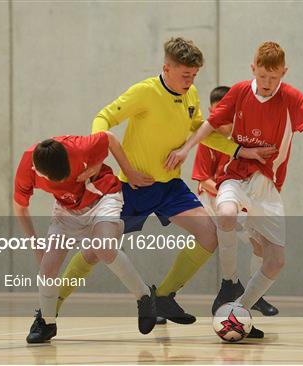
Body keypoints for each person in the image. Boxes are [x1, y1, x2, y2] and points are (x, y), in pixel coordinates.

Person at [55, 37, 272, 337]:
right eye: (185, 75)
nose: (190, 81)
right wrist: (95, 153)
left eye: (194, 75)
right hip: (131, 187)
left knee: (210, 234)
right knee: (95, 250)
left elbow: (200, 131)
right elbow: (103, 117)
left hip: (170, 188)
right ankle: (49, 309)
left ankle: (163, 297)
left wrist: (239, 150)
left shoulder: (191, 94)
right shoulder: (145, 92)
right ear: (166, 68)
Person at [165, 41, 303, 334]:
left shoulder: (290, 97)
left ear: (284, 72)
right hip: (236, 176)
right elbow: (208, 124)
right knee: (226, 213)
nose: (268, 83)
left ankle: (240, 309)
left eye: (275, 77)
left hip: (267, 186)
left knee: (275, 261)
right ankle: (229, 281)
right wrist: (184, 149)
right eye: (263, 76)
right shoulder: (240, 91)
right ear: (252, 69)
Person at [14, 131, 156, 343]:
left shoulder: (79, 147)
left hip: (102, 196)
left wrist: (128, 171)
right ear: (39, 172)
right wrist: (36, 246)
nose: (63, 181)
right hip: (67, 208)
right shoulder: (27, 167)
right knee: (47, 267)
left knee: (104, 247)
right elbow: (20, 209)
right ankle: (47, 322)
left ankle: (144, 296)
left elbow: (109, 138)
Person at [192, 86, 279, 316]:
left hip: (234, 198)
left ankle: (254, 294)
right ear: (211, 111)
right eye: (217, 110)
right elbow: (203, 180)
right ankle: (227, 284)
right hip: (211, 199)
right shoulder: (207, 141)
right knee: (211, 238)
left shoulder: (242, 140)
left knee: (260, 243)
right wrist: (228, 192)